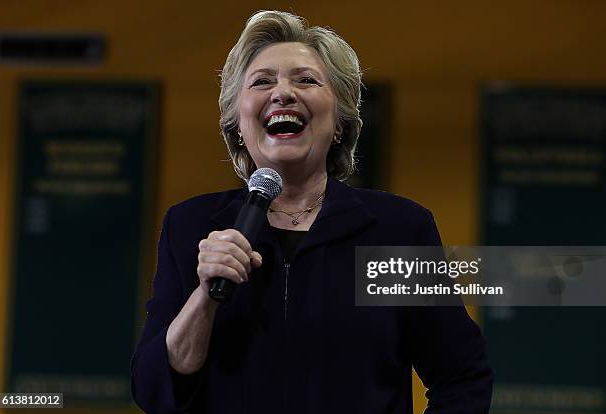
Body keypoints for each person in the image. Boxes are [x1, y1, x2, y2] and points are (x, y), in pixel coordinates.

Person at [131, 10, 493, 414]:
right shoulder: (190, 225)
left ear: (340, 122)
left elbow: (462, 377)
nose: (283, 93)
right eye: (262, 81)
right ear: (236, 124)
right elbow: (153, 391)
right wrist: (205, 296)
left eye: (305, 80)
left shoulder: (399, 229)